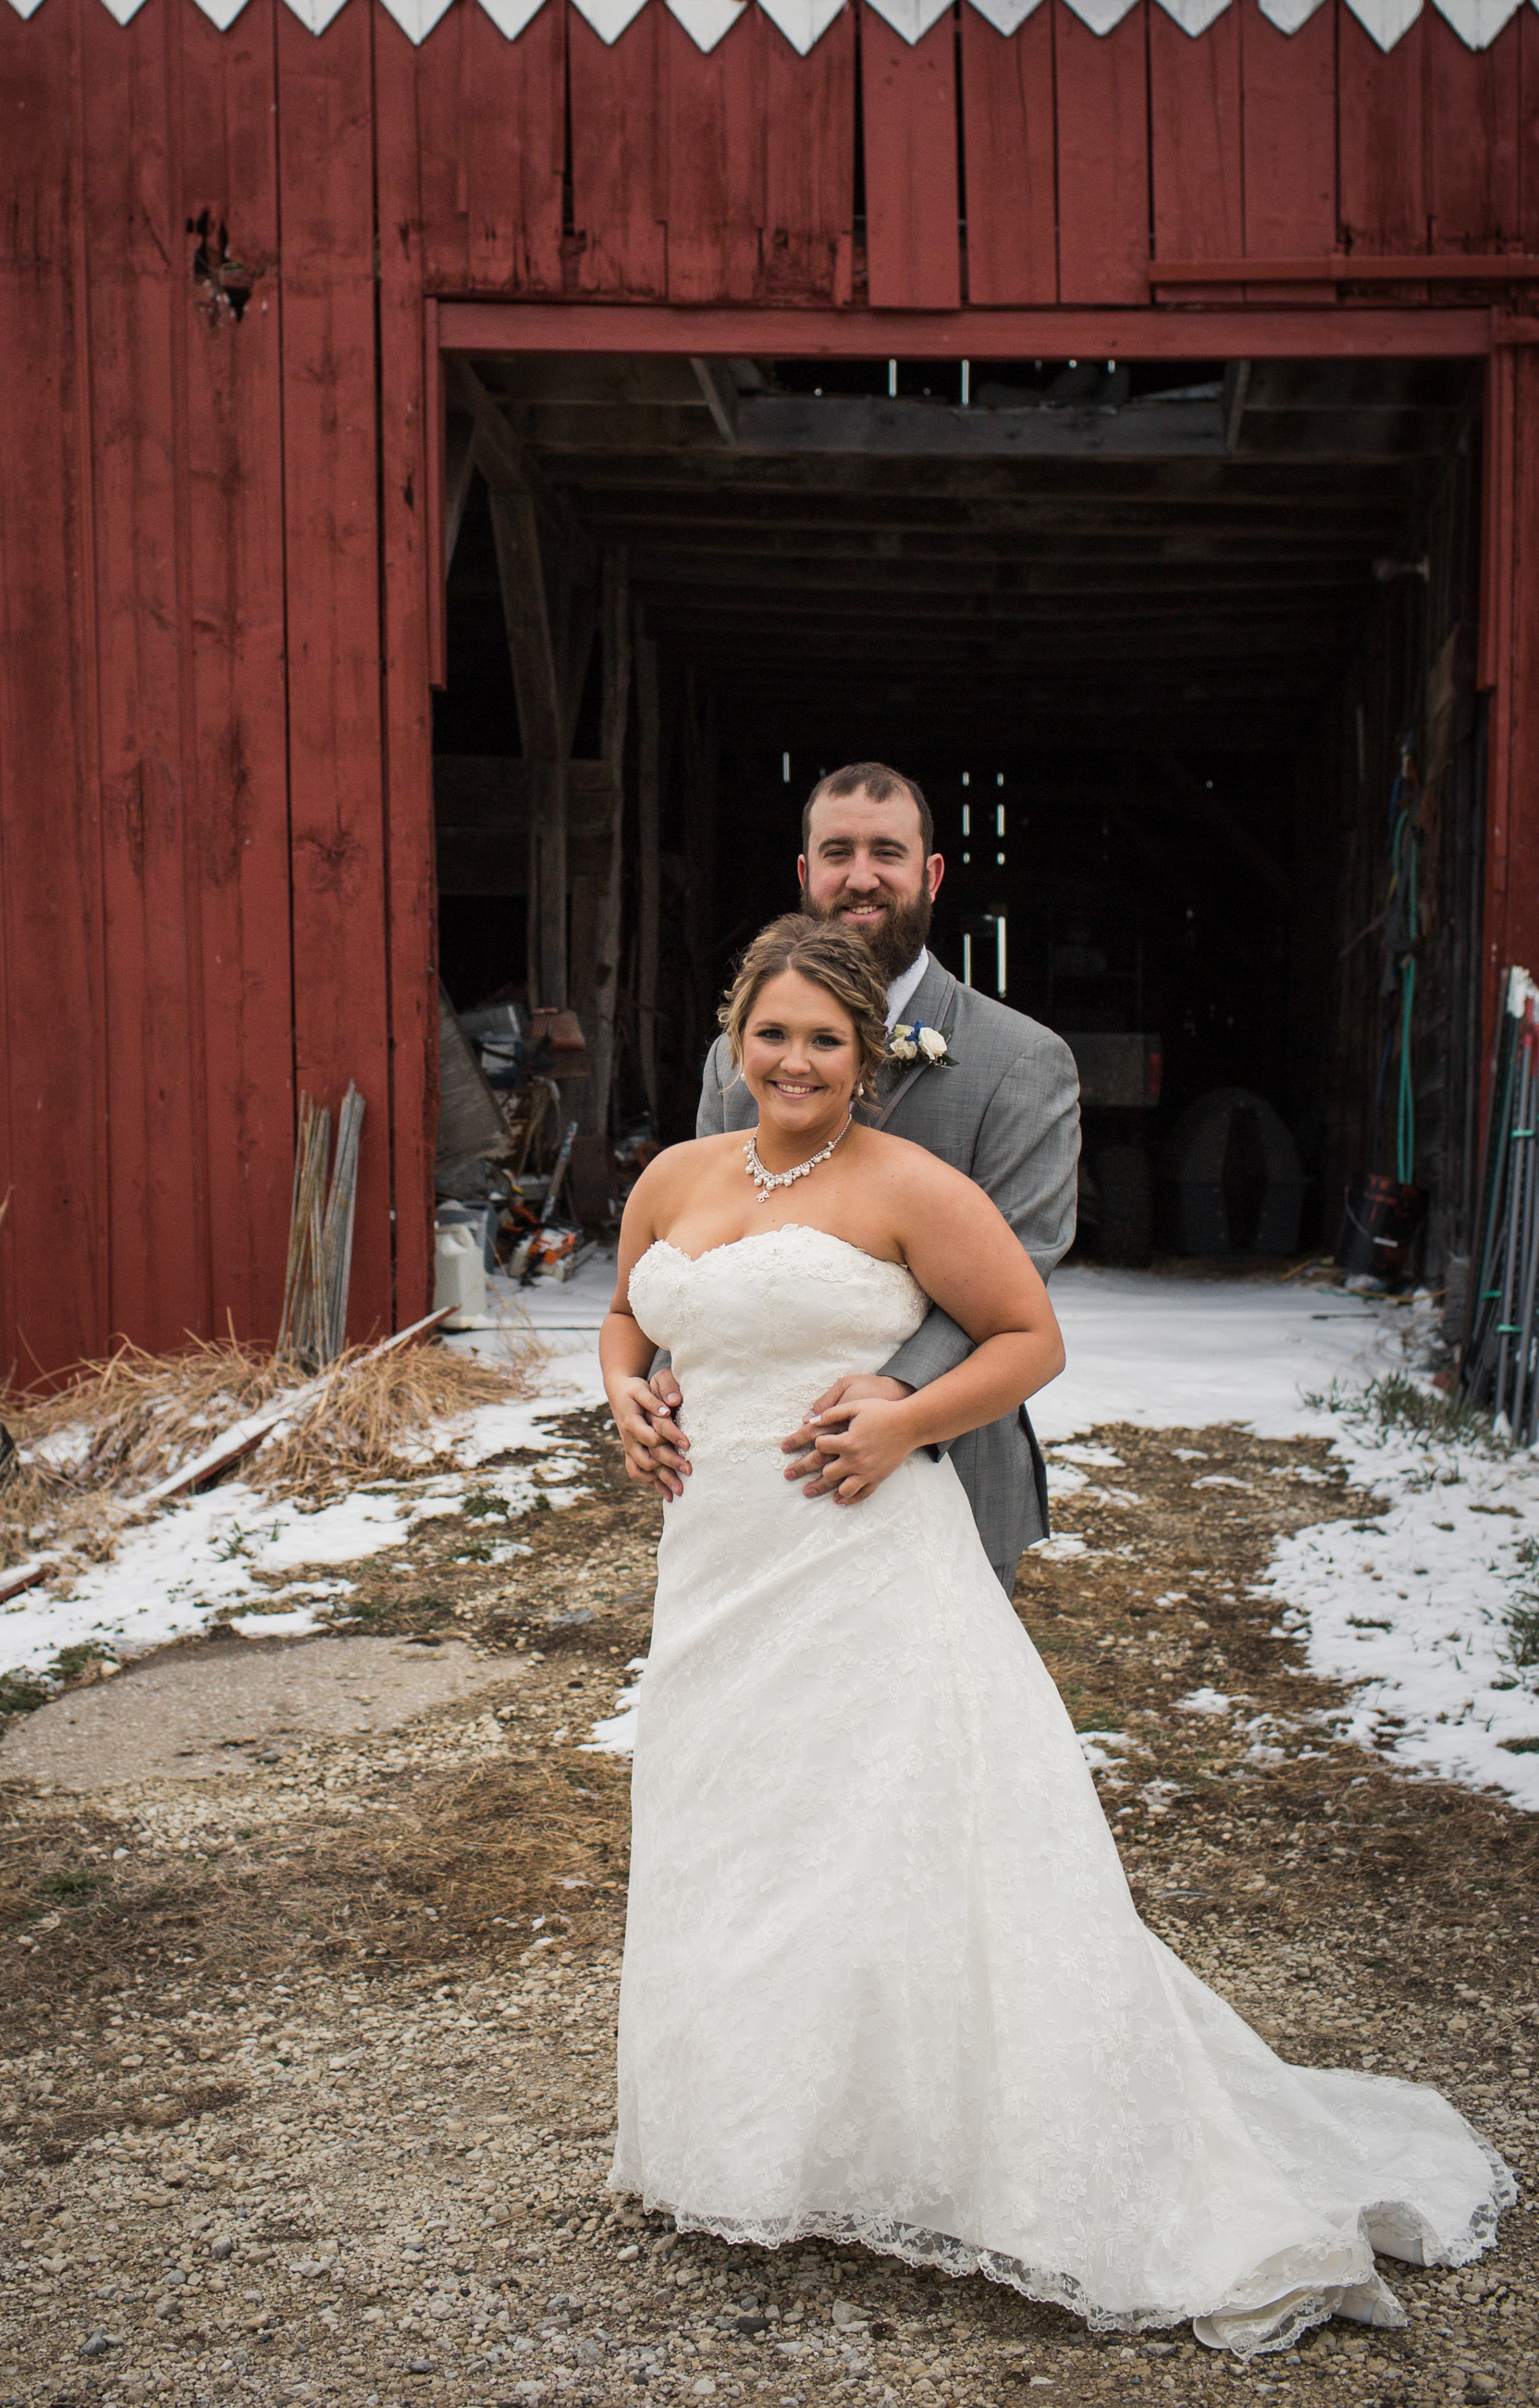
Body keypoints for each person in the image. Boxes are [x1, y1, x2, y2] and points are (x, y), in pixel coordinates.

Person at [599, 914, 1508, 2355]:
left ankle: (941, 2141)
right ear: (734, 1035)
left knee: (884, 1834)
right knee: (738, 1824)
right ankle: (761, 2137)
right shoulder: (675, 1173)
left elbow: (1029, 1336)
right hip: (716, 1559)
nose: (792, 1059)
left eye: (823, 1039)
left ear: (867, 1054)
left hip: (863, 1556)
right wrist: (626, 1393)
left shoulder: (912, 1185)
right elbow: (633, 1309)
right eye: (770, 1033)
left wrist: (902, 1419)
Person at [672, 760, 1077, 1594]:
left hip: (943, 1465)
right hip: (754, 1481)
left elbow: (1020, 1266)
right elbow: (698, 1237)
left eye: (887, 852)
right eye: (838, 851)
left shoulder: (1022, 1059)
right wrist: (658, 1373)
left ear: (929, 874)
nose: (862, 877)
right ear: (805, 874)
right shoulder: (733, 1055)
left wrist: (897, 1399)